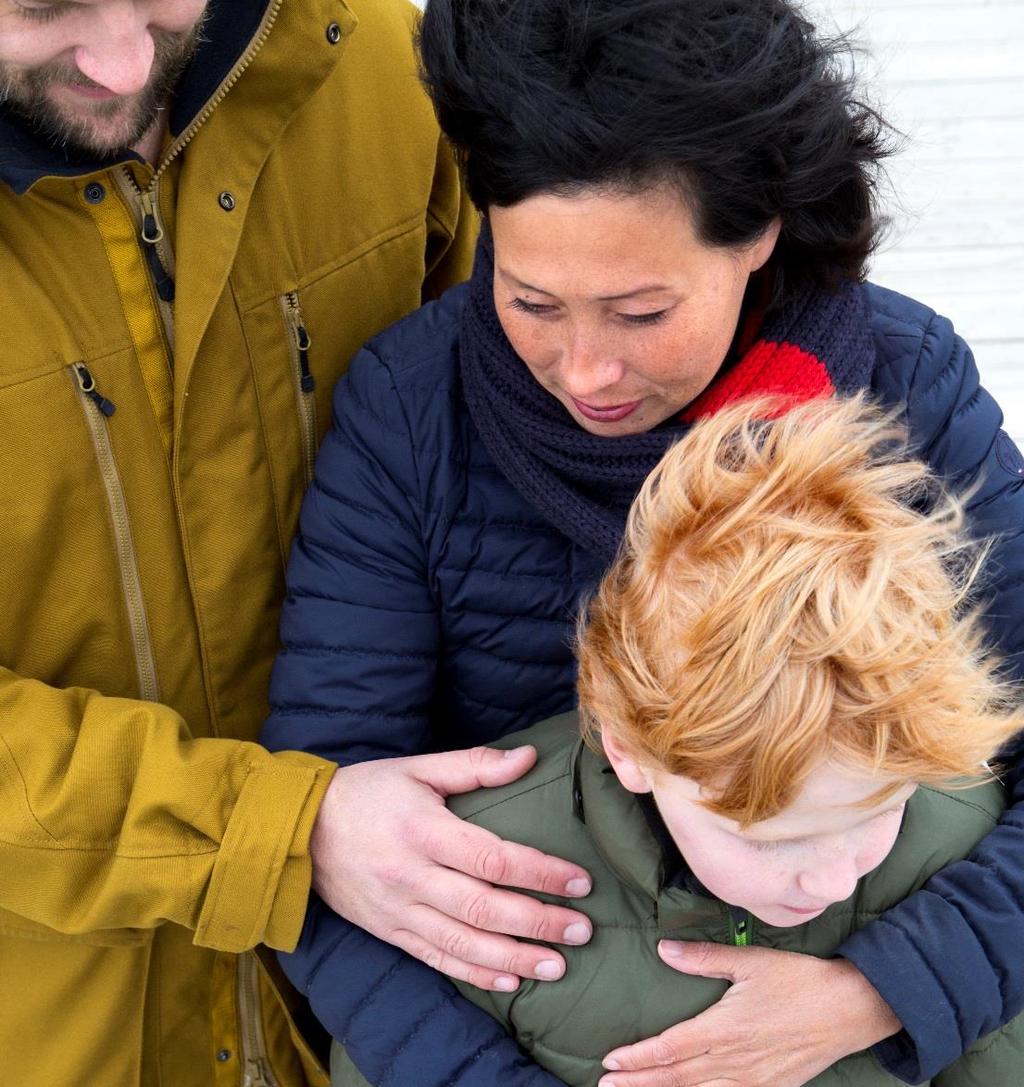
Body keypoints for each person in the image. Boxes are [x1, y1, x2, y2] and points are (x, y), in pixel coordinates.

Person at [261, 1, 1024, 1085]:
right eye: (531, 301)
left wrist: (884, 992)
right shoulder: (408, 409)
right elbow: (320, 835)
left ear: (756, 231)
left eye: (638, 312)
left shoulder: (903, 382)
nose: (583, 373)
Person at [0, 1, 480, 1084]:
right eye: (42, 6)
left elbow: (512, 473)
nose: (123, 57)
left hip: (391, 1017)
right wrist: (275, 832)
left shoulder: (379, 71)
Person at [324, 393, 1024, 1086]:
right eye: (772, 839)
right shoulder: (479, 872)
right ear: (629, 749)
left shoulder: (961, 833)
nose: (835, 878)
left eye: (875, 814)